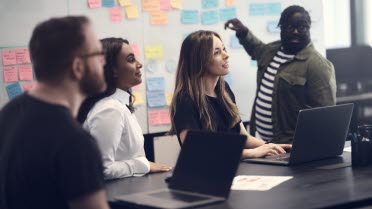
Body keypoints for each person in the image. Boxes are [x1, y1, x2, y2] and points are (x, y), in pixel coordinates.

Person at [0, 16, 109, 209]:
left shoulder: (8, 114)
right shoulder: (75, 142)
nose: (103, 61)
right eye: (98, 54)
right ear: (77, 67)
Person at [169, 30, 291, 159]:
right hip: (204, 175)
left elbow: (243, 138)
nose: (226, 55)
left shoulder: (224, 90)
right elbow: (196, 151)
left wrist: (273, 147)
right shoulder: (185, 99)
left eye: (223, 49)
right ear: (200, 61)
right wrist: (251, 153)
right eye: (217, 52)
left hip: (232, 169)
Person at [224, 5, 336, 144]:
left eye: (302, 27)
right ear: (281, 28)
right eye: (290, 27)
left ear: (308, 29)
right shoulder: (272, 50)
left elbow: (325, 117)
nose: (296, 32)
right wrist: (243, 32)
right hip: (260, 141)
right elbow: (256, 48)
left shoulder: (318, 65)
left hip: (290, 147)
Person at [78, 37, 171, 180]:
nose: (139, 65)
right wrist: (143, 164)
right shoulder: (110, 109)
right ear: (113, 70)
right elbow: (102, 169)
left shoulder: (119, 105)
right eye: (131, 60)